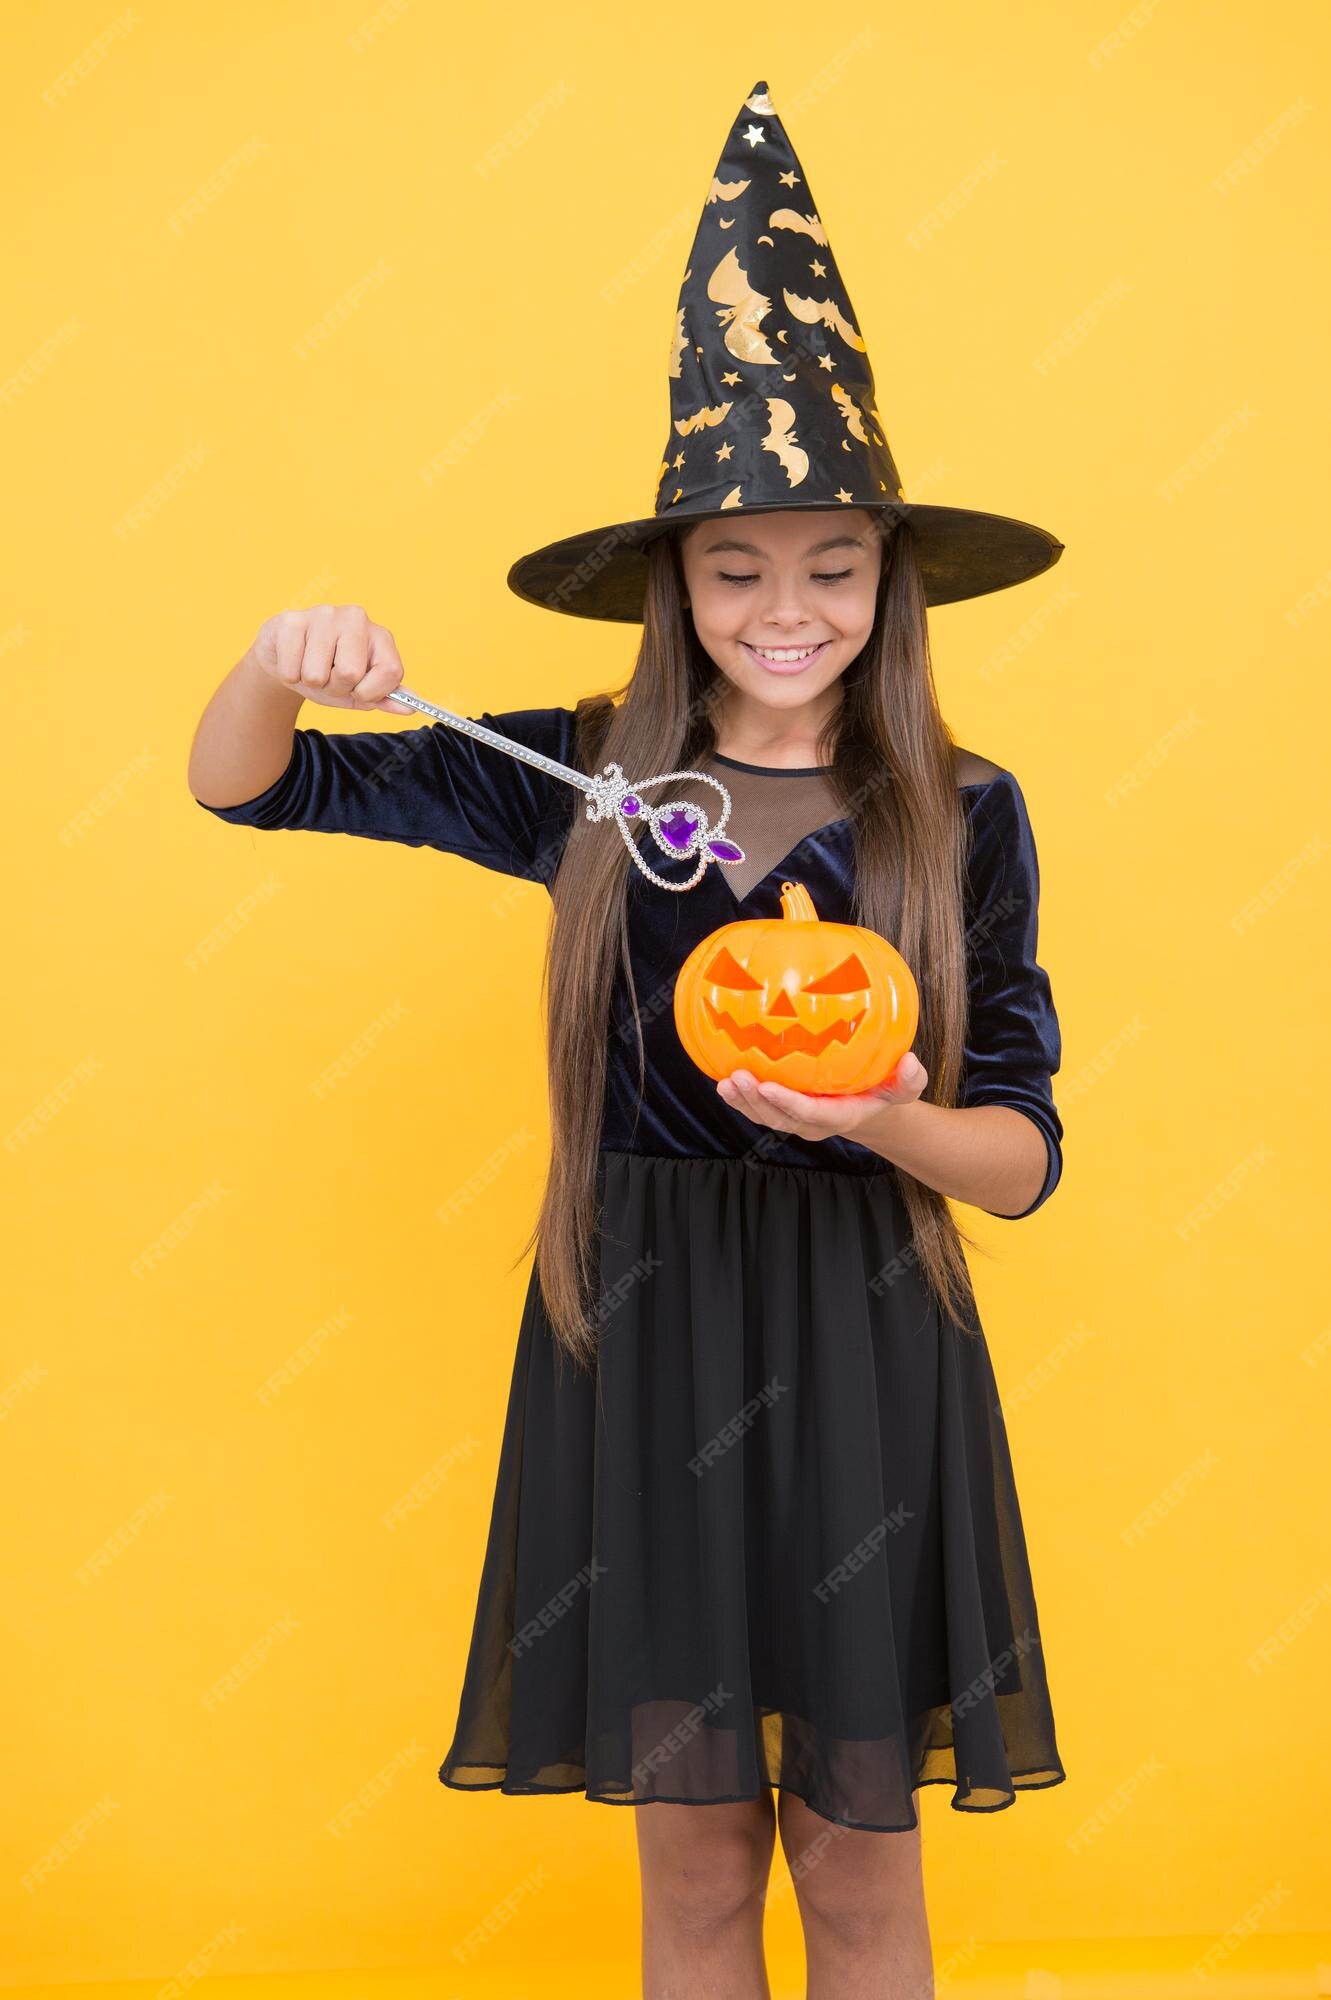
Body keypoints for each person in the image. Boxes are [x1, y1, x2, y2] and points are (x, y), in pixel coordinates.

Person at [188, 79, 1068, 2000]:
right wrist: (276, 663)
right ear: (676, 581)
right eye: (738, 567)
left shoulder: (963, 808)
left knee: (857, 1872)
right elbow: (247, 792)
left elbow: (1021, 1158)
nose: (787, 607)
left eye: (833, 565)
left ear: (890, 585)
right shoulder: (592, 781)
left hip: (863, 1328)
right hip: (647, 1326)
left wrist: (892, 1121)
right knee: (690, 1883)